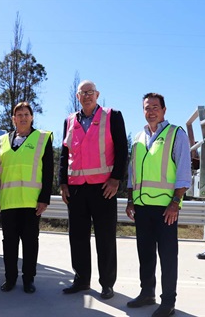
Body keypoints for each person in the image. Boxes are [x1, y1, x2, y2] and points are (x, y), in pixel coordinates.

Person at [59, 80, 127, 300]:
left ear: (97, 94)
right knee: (77, 237)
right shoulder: (69, 120)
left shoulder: (112, 115)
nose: (87, 96)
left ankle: (107, 284)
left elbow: (122, 150)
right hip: (76, 189)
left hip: (103, 188)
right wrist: (63, 183)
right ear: (77, 97)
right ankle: (81, 279)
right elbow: (64, 154)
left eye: (90, 92)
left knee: (105, 238)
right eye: (82, 93)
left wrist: (116, 179)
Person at [125, 93, 191, 317]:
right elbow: (132, 173)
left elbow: (183, 172)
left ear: (164, 110)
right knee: (145, 253)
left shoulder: (176, 134)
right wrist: (131, 200)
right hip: (142, 207)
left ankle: (168, 301)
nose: (151, 111)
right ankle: (147, 293)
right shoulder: (137, 138)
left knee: (168, 256)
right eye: (147, 107)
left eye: (155, 107)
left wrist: (175, 202)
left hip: (166, 209)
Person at [0, 102, 54, 294]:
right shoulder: (2, 141)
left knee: (30, 243)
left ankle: (29, 279)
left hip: (31, 202)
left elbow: (48, 171)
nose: (23, 118)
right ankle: (10, 279)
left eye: (27, 114)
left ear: (32, 117)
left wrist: (44, 198)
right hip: (8, 201)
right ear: (13, 119)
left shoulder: (42, 138)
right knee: (9, 243)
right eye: (19, 115)